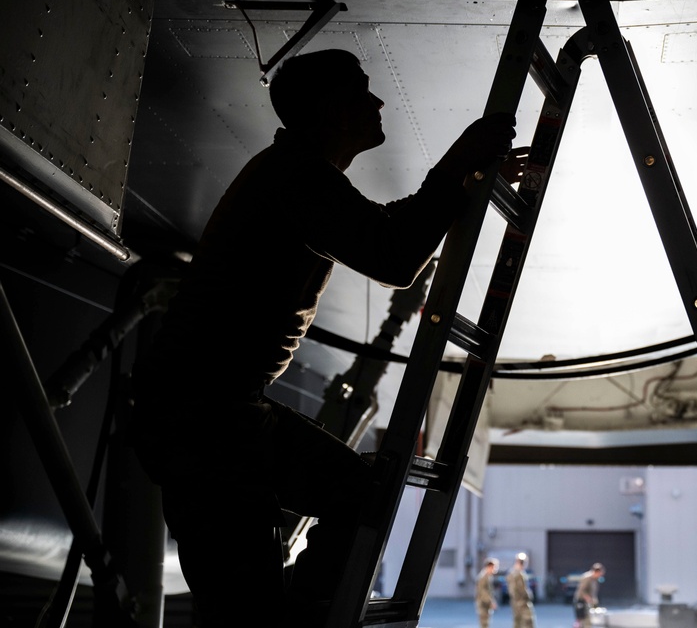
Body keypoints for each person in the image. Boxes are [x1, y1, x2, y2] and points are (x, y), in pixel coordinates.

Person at [129, 48, 520, 627]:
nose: (378, 101)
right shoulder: (295, 175)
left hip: (216, 413)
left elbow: (384, 234)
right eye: (363, 91)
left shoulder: (296, 173)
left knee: (355, 502)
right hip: (203, 422)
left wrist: (461, 180)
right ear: (333, 109)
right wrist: (460, 160)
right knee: (252, 604)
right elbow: (392, 251)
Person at [506, 552, 536, 628]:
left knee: (517, 624)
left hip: (514, 604)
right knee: (528, 623)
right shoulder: (520, 574)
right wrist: (529, 596)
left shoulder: (511, 573)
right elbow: (523, 590)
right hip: (522, 604)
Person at [573, 562, 604, 628]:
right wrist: (588, 599)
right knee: (583, 620)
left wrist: (595, 602)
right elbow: (581, 590)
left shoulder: (595, 580)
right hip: (581, 601)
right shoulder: (587, 578)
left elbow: (593, 592)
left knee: (588, 621)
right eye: (600, 573)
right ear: (596, 572)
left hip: (589, 603)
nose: (600, 575)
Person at [476, 558, 499, 628]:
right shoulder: (483, 577)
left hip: (486, 604)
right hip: (483, 604)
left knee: (486, 624)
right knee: (484, 625)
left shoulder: (488, 577)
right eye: (494, 567)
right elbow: (483, 592)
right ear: (489, 567)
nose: (495, 569)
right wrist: (491, 602)